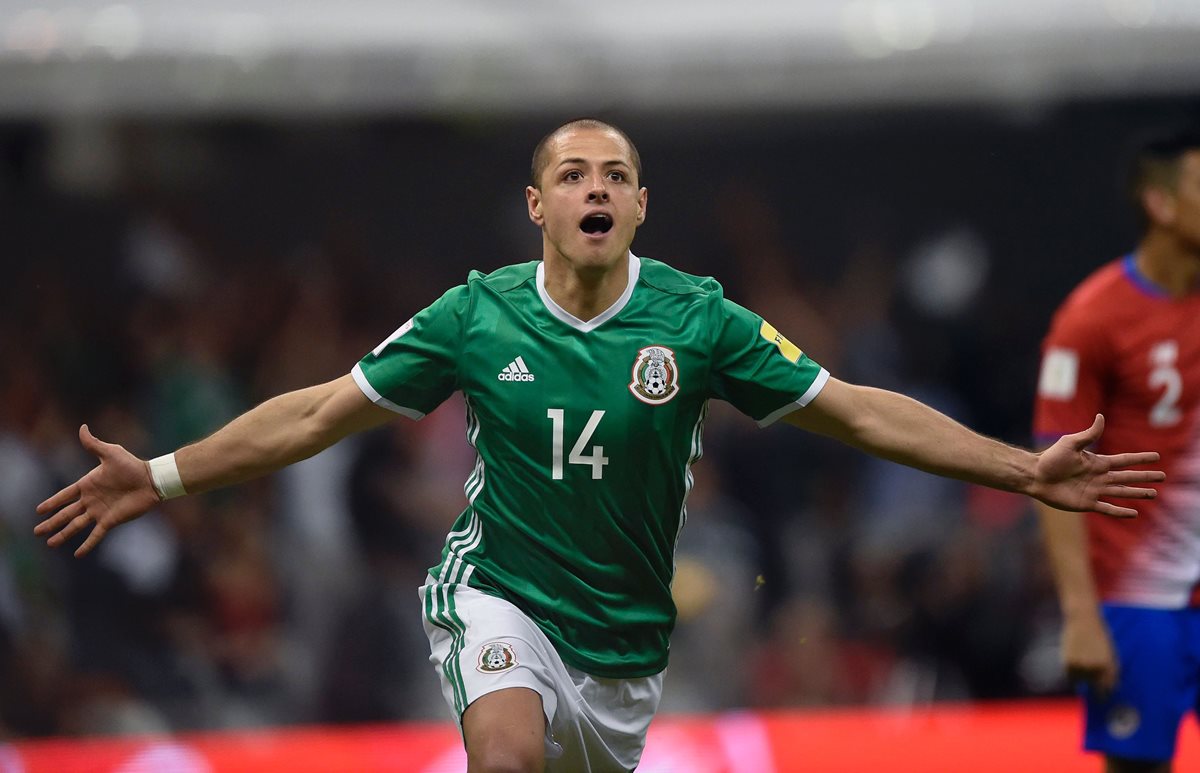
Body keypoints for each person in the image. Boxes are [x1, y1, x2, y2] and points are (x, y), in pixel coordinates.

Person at [38, 118, 1163, 773]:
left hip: (624, 646)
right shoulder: (474, 316)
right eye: (572, 174)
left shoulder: (699, 320)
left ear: (637, 206)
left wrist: (1021, 466)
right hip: (499, 593)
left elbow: (858, 408)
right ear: (537, 204)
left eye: (614, 175)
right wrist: (168, 471)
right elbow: (320, 411)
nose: (595, 188)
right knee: (510, 754)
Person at [1034, 125, 1200, 773]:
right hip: (1139, 598)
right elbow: (1053, 471)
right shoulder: (1092, 320)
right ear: (1160, 205)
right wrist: (1079, 613)